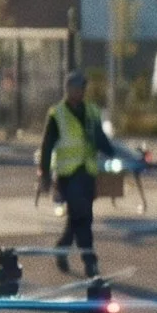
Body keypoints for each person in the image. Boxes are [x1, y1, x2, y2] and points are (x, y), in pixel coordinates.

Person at [38, 69, 120, 276]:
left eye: (83, 88)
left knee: (81, 219)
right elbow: (47, 146)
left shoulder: (92, 111)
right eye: (78, 88)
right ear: (69, 89)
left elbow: (100, 139)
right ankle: (90, 261)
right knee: (82, 218)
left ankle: (62, 248)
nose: (82, 91)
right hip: (68, 175)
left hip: (87, 174)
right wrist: (45, 175)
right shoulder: (57, 114)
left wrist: (116, 154)